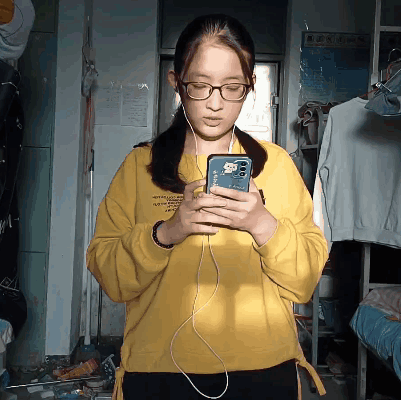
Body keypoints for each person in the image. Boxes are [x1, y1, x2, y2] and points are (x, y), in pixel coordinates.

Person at [86, 13, 329, 400]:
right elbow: (110, 278)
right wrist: (166, 234)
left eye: (232, 88)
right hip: (160, 372)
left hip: (264, 370)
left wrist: (262, 225)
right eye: (200, 86)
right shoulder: (139, 167)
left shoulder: (276, 166)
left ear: (250, 86)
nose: (215, 104)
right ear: (177, 83)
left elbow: (304, 282)